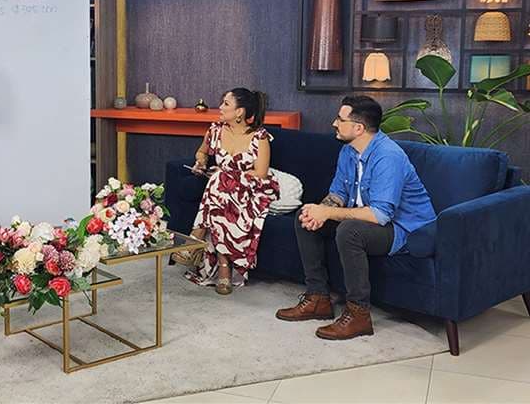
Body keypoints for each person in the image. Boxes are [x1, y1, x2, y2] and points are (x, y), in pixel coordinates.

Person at [275, 95, 436, 340]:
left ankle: (359, 314)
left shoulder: (388, 156)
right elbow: (338, 194)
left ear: (358, 128)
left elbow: (380, 215)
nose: (334, 123)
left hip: (404, 229)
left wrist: (328, 213)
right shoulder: (348, 152)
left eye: (340, 119)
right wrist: (319, 212)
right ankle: (318, 298)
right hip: (368, 220)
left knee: (350, 231)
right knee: (304, 216)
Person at [172, 88, 280, 295]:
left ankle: (195, 239)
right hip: (222, 191)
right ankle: (224, 266)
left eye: (226, 104)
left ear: (239, 112)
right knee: (220, 184)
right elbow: (201, 152)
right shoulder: (215, 130)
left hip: (253, 187)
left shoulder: (260, 137)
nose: (220, 107)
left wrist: (230, 175)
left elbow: (260, 173)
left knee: (220, 178)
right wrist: (200, 162)